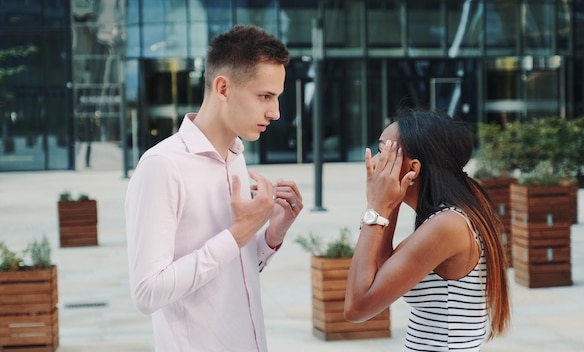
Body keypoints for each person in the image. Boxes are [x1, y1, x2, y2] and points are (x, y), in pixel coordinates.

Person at [125, 25, 303, 352]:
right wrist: (239, 233)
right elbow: (147, 293)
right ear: (223, 88)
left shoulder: (235, 156)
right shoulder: (162, 166)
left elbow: (231, 272)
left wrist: (269, 237)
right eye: (265, 96)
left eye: (277, 98)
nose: (275, 112)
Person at [344, 108, 510, 351]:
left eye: (383, 151)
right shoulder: (458, 209)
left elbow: (357, 308)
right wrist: (386, 205)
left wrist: (376, 209)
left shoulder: (448, 225)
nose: (374, 162)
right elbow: (379, 275)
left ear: (413, 169)